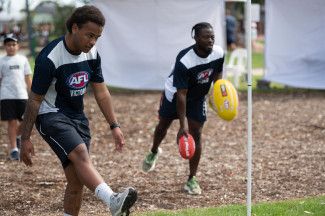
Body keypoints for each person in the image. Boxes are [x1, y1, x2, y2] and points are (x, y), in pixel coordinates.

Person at [19, 5, 137, 216]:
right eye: (89, 35)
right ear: (74, 27)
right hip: (50, 115)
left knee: (76, 182)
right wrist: (25, 138)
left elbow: (101, 92)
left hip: (77, 117)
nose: (92, 42)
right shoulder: (49, 58)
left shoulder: (91, 54)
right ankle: (112, 201)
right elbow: (35, 100)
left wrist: (114, 125)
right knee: (81, 153)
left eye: (97, 37)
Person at [142, 22, 225, 195]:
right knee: (163, 126)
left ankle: (191, 179)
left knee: (197, 134)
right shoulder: (185, 60)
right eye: (205, 37)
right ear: (195, 38)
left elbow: (218, 74)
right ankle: (154, 151)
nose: (210, 40)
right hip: (175, 95)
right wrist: (182, 125)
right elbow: (181, 94)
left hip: (197, 98)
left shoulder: (218, 53)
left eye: (212, 37)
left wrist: (218, 94)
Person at [0, 34, 32, 160]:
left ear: (18, 46)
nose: (11, 47)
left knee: (26, 121)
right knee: (12, 122)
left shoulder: (23, 60)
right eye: (8, 45)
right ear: (5, 46)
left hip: (22, 95)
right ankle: (14, 149)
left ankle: (18, 136)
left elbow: (28, 78)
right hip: (6, 95)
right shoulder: (1, 61)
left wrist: (33, 94)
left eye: (13, 44)